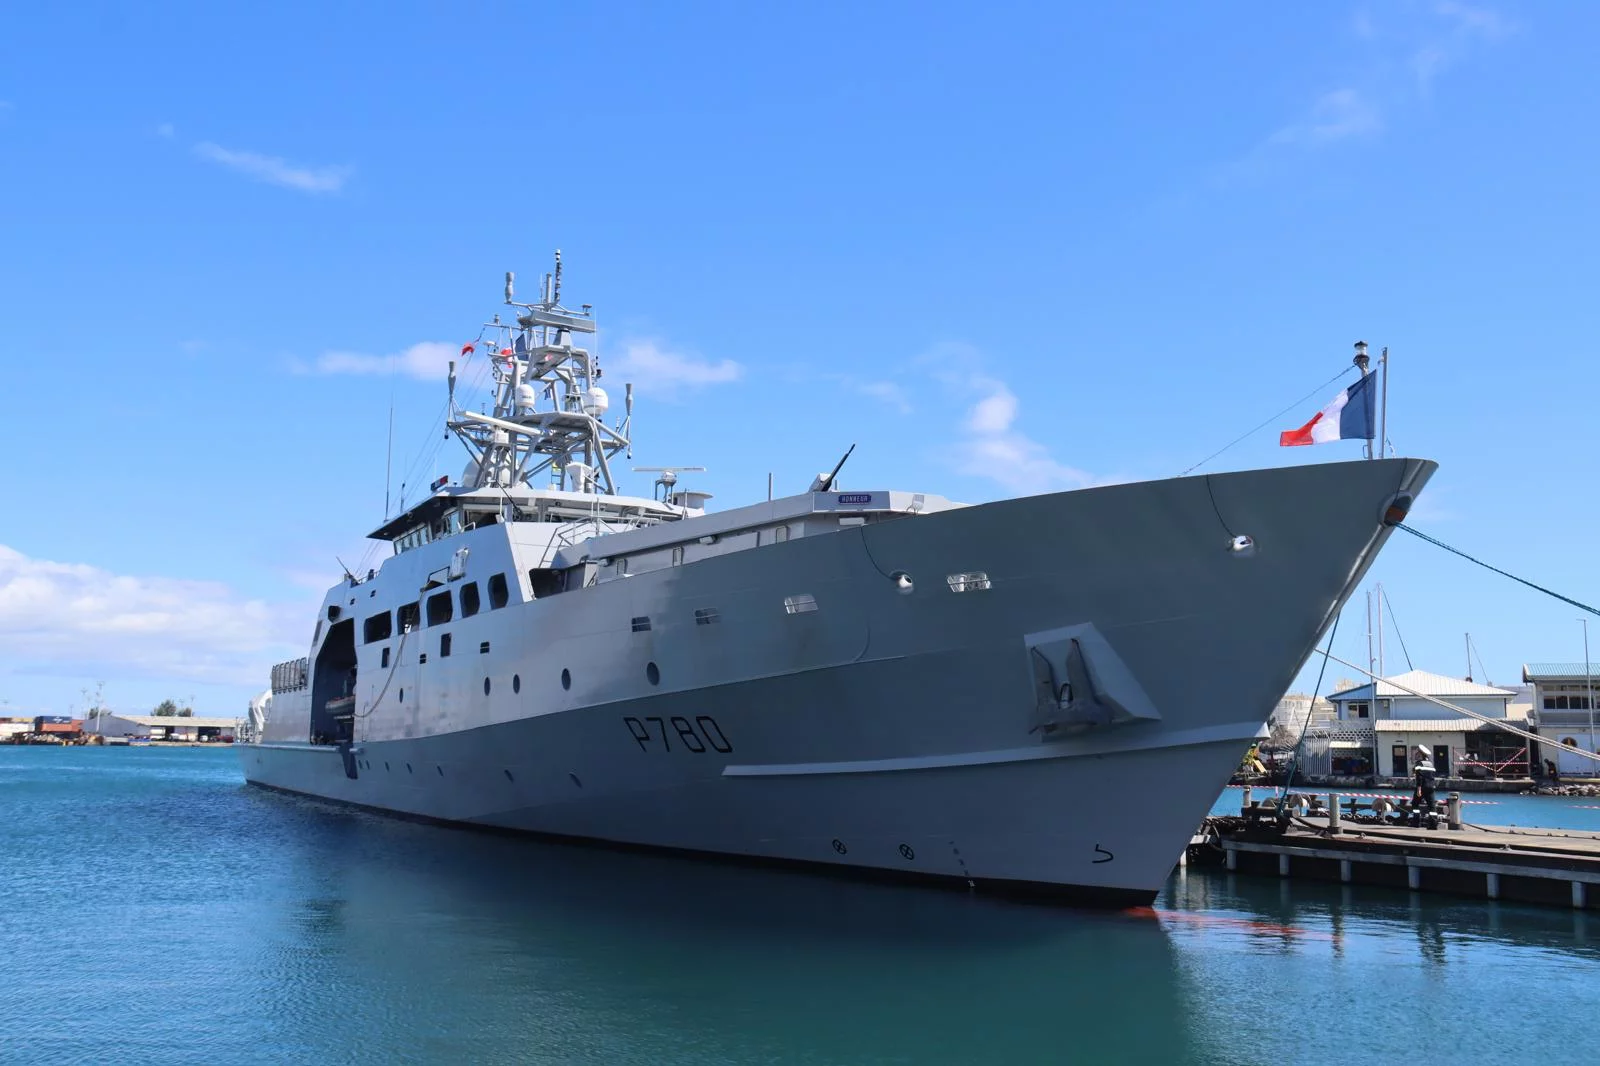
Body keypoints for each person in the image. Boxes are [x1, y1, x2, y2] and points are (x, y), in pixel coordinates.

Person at [1411, 745, 1438, 828]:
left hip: (1422, 787)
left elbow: (1419, 777)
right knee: (1432, 806)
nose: (1417, 754)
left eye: (1418, 752)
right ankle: (1433, 825)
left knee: (1415, 804)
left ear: (1421, 754)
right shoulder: (1431, 764)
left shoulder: (1419, 763)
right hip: (1431, 787)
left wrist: (1419, 788)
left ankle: (1416, 823)